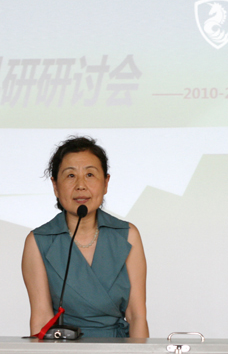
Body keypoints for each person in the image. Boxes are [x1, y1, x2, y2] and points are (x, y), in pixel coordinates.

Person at [22, 136, 149, 338]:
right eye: (70, 175)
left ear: (105, 183)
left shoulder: (127, 235)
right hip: (64, 347)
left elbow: (137, 316)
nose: (81, 185)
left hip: (118, 349)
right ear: (55, 186)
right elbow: (42, 318)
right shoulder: (39, 241)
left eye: (90, 174)